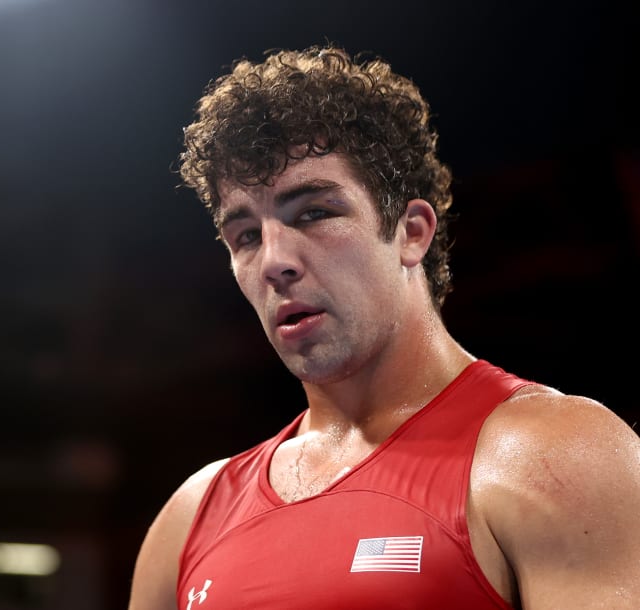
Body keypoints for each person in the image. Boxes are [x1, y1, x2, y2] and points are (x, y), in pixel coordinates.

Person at [127, 43, 640, 609]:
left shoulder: (558, 456)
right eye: (246, 235)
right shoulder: (190, 519)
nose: (274, 260)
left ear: (411, 231)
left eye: (314, 213)